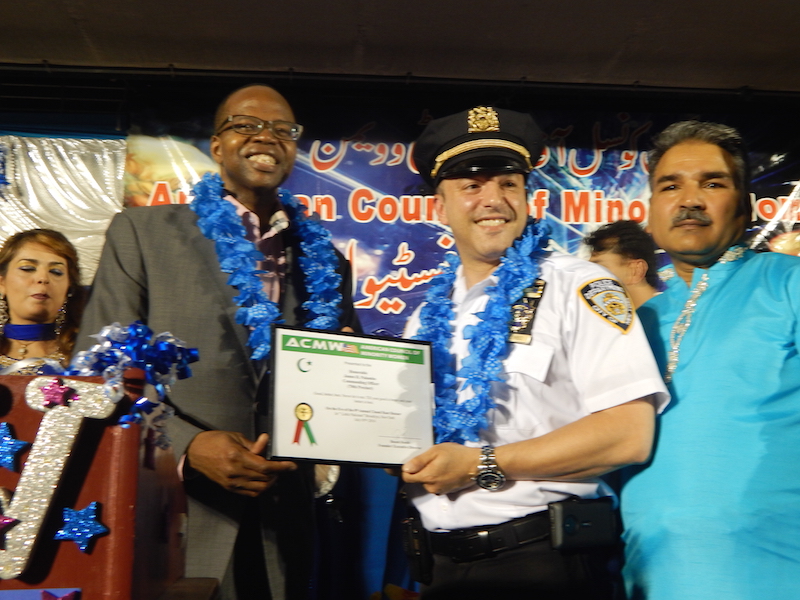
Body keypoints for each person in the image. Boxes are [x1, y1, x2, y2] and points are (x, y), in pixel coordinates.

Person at [78, 84, 361, 600]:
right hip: (177, 508)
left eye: (283, 129)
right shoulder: (143, 233)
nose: (265, 137)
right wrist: (188, 447)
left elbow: (344, 382)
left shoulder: (326, 260)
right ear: (216, 145)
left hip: (285, 518)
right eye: (245, 125)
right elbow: (98, 373)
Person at [400, 106, 669, 599]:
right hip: (439, 567)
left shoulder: (579, 286)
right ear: (440, 207)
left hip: (540, 564)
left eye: (508, 183)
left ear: (528, 198)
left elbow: (628, 436)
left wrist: (479, 464)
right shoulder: (425, 315)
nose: (493, 200)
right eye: (471, 185)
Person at [620, 121, 800, 599]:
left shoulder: (788, 284)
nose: (690, 199)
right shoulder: (637, 324)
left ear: (746, 206)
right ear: (651, 211)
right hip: (652, 578)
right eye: (670, 186)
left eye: (713, 183)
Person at [0, 229, 85, 374]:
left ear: (68, 288)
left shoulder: (85, 358)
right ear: (2, 283)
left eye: (56, 272)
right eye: (27, 268)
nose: (43, 278)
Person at [584, 220, 660, 308]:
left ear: (636, 270)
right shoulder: (606, 320)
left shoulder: (672, 319)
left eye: (600, 268)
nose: (588, 278)